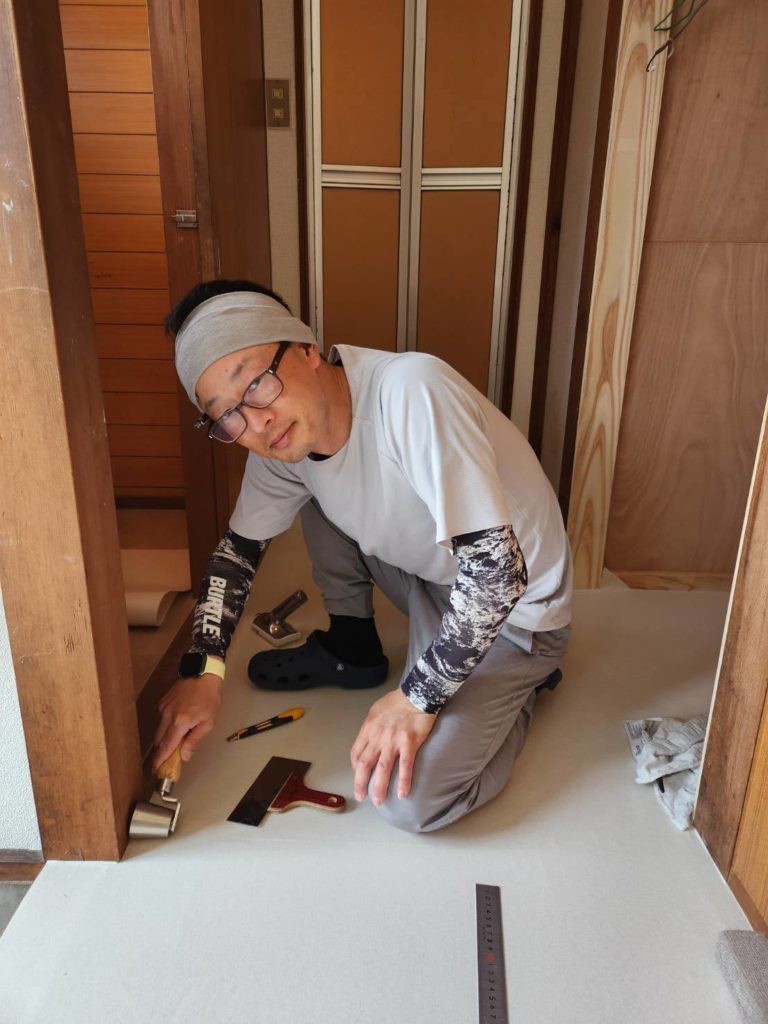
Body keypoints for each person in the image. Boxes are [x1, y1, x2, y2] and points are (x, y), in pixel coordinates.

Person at [152, 279, 573, 833]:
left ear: (306, 347)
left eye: (255, 383)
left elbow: (497, 575)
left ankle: (520, 690)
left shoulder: (411, 390)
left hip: (515, 612)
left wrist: (416, 698)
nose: (255, 423)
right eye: (226, 414)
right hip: (430, 578)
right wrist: (202, 671)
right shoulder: (282, 440)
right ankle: (353, 647)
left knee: (408, 801)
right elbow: (238, 555)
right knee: (308, 483)